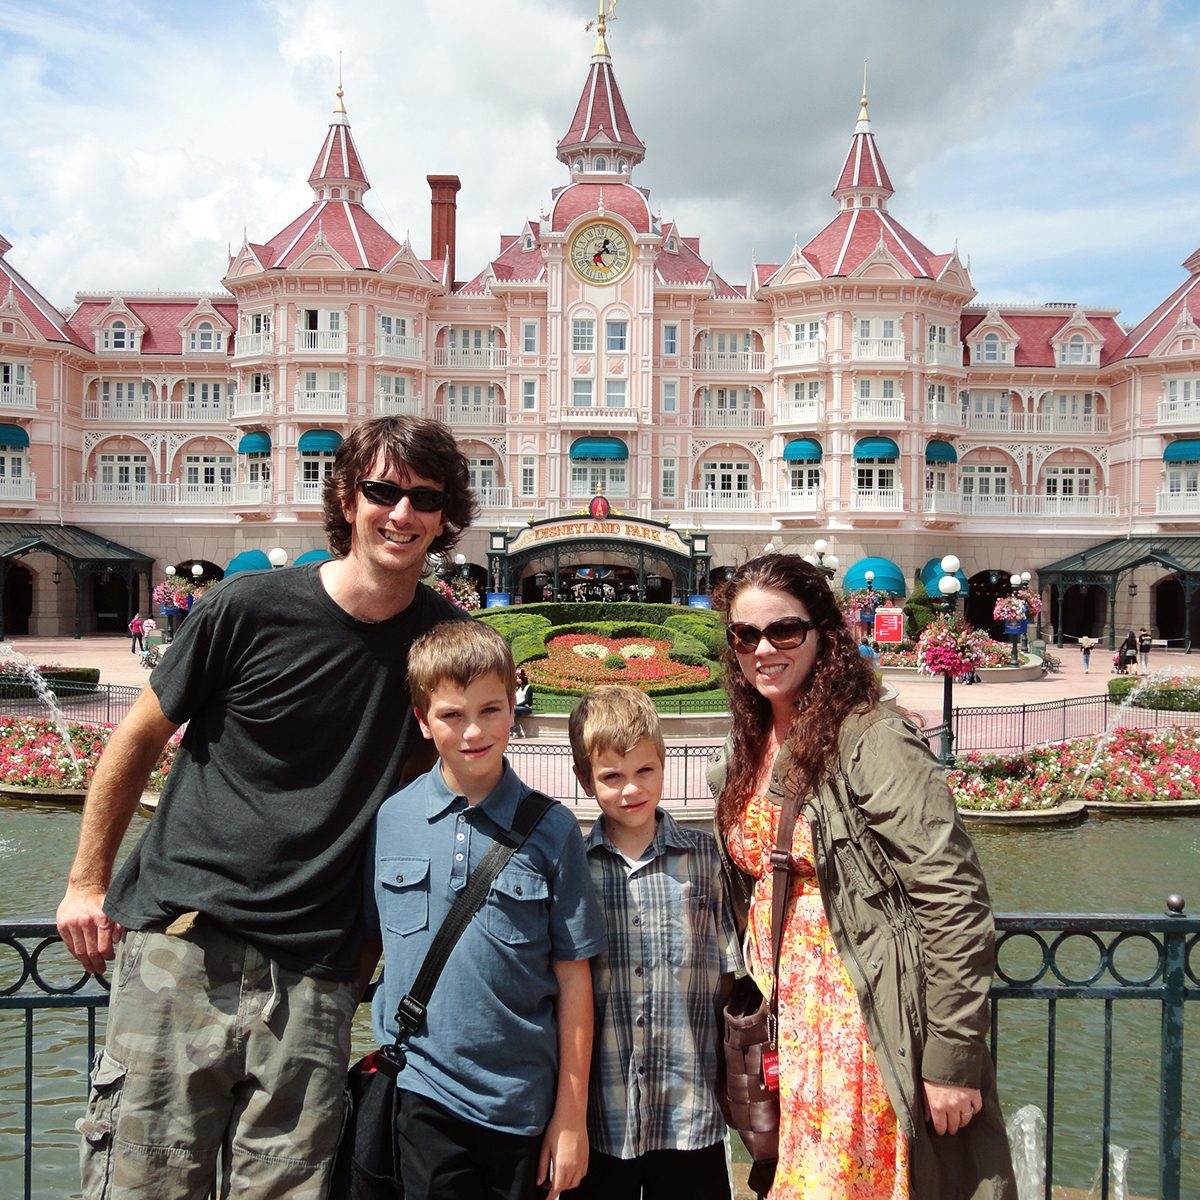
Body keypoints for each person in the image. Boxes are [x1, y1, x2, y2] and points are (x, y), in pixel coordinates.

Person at [56, 415, 477, 1199]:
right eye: (383, 490)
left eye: (426, 497)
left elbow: (425, 812)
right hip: (184, 942)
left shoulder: (444, 649)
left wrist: (370, 954)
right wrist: (86, 883)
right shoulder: (248, 608)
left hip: (316, 971)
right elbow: (137, 739)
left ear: (447, 516)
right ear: (348, 499)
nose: (403, 513)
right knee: (141, 1185)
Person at [707, 554, 1016, 1200]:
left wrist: (952, 1059)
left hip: (862, 1031)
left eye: (783, 631)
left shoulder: (870, 738)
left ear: (823, 633)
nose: (763, 648)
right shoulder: (752, 744)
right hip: (788, 1036)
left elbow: (953, 896)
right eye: (745, 635)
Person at [365, 620, 605, 1200]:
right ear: (423, 720)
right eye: (451, 715)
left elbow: (574, 981)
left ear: (514, 704)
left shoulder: (552, 829)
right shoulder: (392, 818)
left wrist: (570, 1118)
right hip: (424, 1091)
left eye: (490, 709)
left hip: (521, 1099)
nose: (473, 731)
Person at [565, 686, 740, 1200]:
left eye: (645, 771)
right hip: (601, 1117)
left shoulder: (707, 861)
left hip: (690, 1111)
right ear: (585, 779)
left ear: (663, 764)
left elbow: (730, 978)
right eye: (611, 777)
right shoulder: (573, 869)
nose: (631, 790)